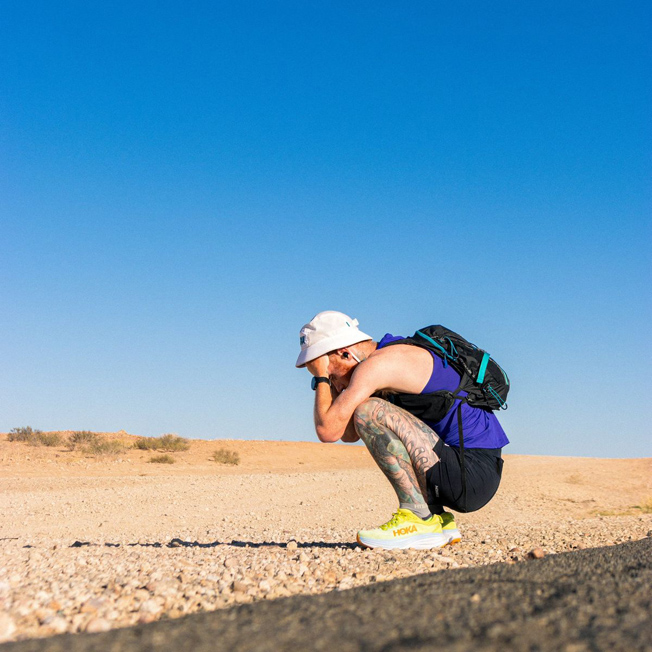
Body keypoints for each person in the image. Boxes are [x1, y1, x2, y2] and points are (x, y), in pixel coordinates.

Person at [296, 310, 509, 550]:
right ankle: (437, 519)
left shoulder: (379, 365)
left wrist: (321, 377)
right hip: (472, 471)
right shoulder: (384, 360)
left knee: (368, 410)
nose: (335, 384)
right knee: (366, 412)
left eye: (333, 374)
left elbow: (328, 431)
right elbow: (348, 433)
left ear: (344, 353)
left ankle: (418, 518)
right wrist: (328, 375)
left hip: (471, 474)